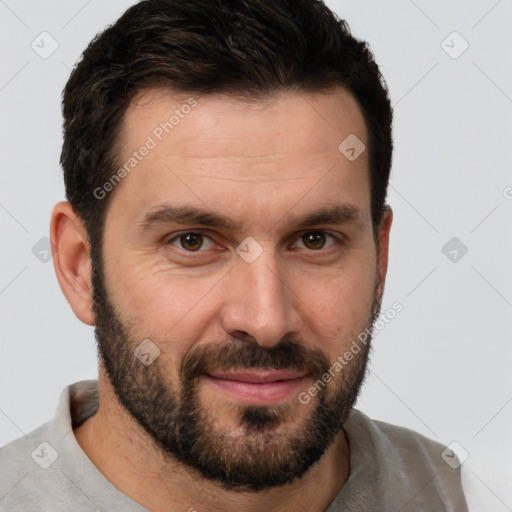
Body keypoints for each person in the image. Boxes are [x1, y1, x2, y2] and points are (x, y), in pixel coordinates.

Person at [0, 0, 468, 510]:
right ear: (79, 267)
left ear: (379, 260)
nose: (266, 320)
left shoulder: (471, 493)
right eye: (192, 241)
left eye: (315, 239)